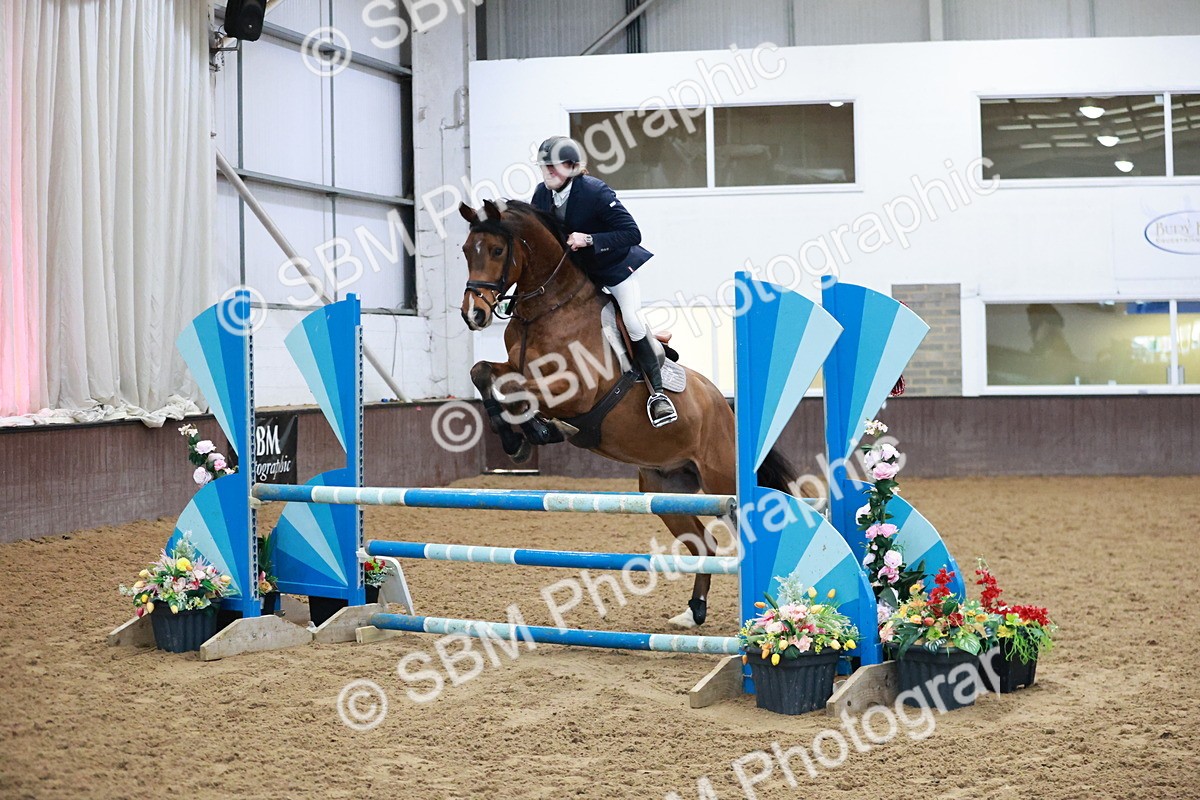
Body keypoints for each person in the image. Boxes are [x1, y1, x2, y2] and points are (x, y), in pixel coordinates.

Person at [530, 135, 677, 428]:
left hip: (612, 269)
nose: (547, 173)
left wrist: (590, 239)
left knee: (632, 321)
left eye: (553, 167)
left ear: (572, 167)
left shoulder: (595, 191)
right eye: (544, 167)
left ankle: (657, 395)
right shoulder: (541, 195)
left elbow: (632, 234)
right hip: (576, 278)